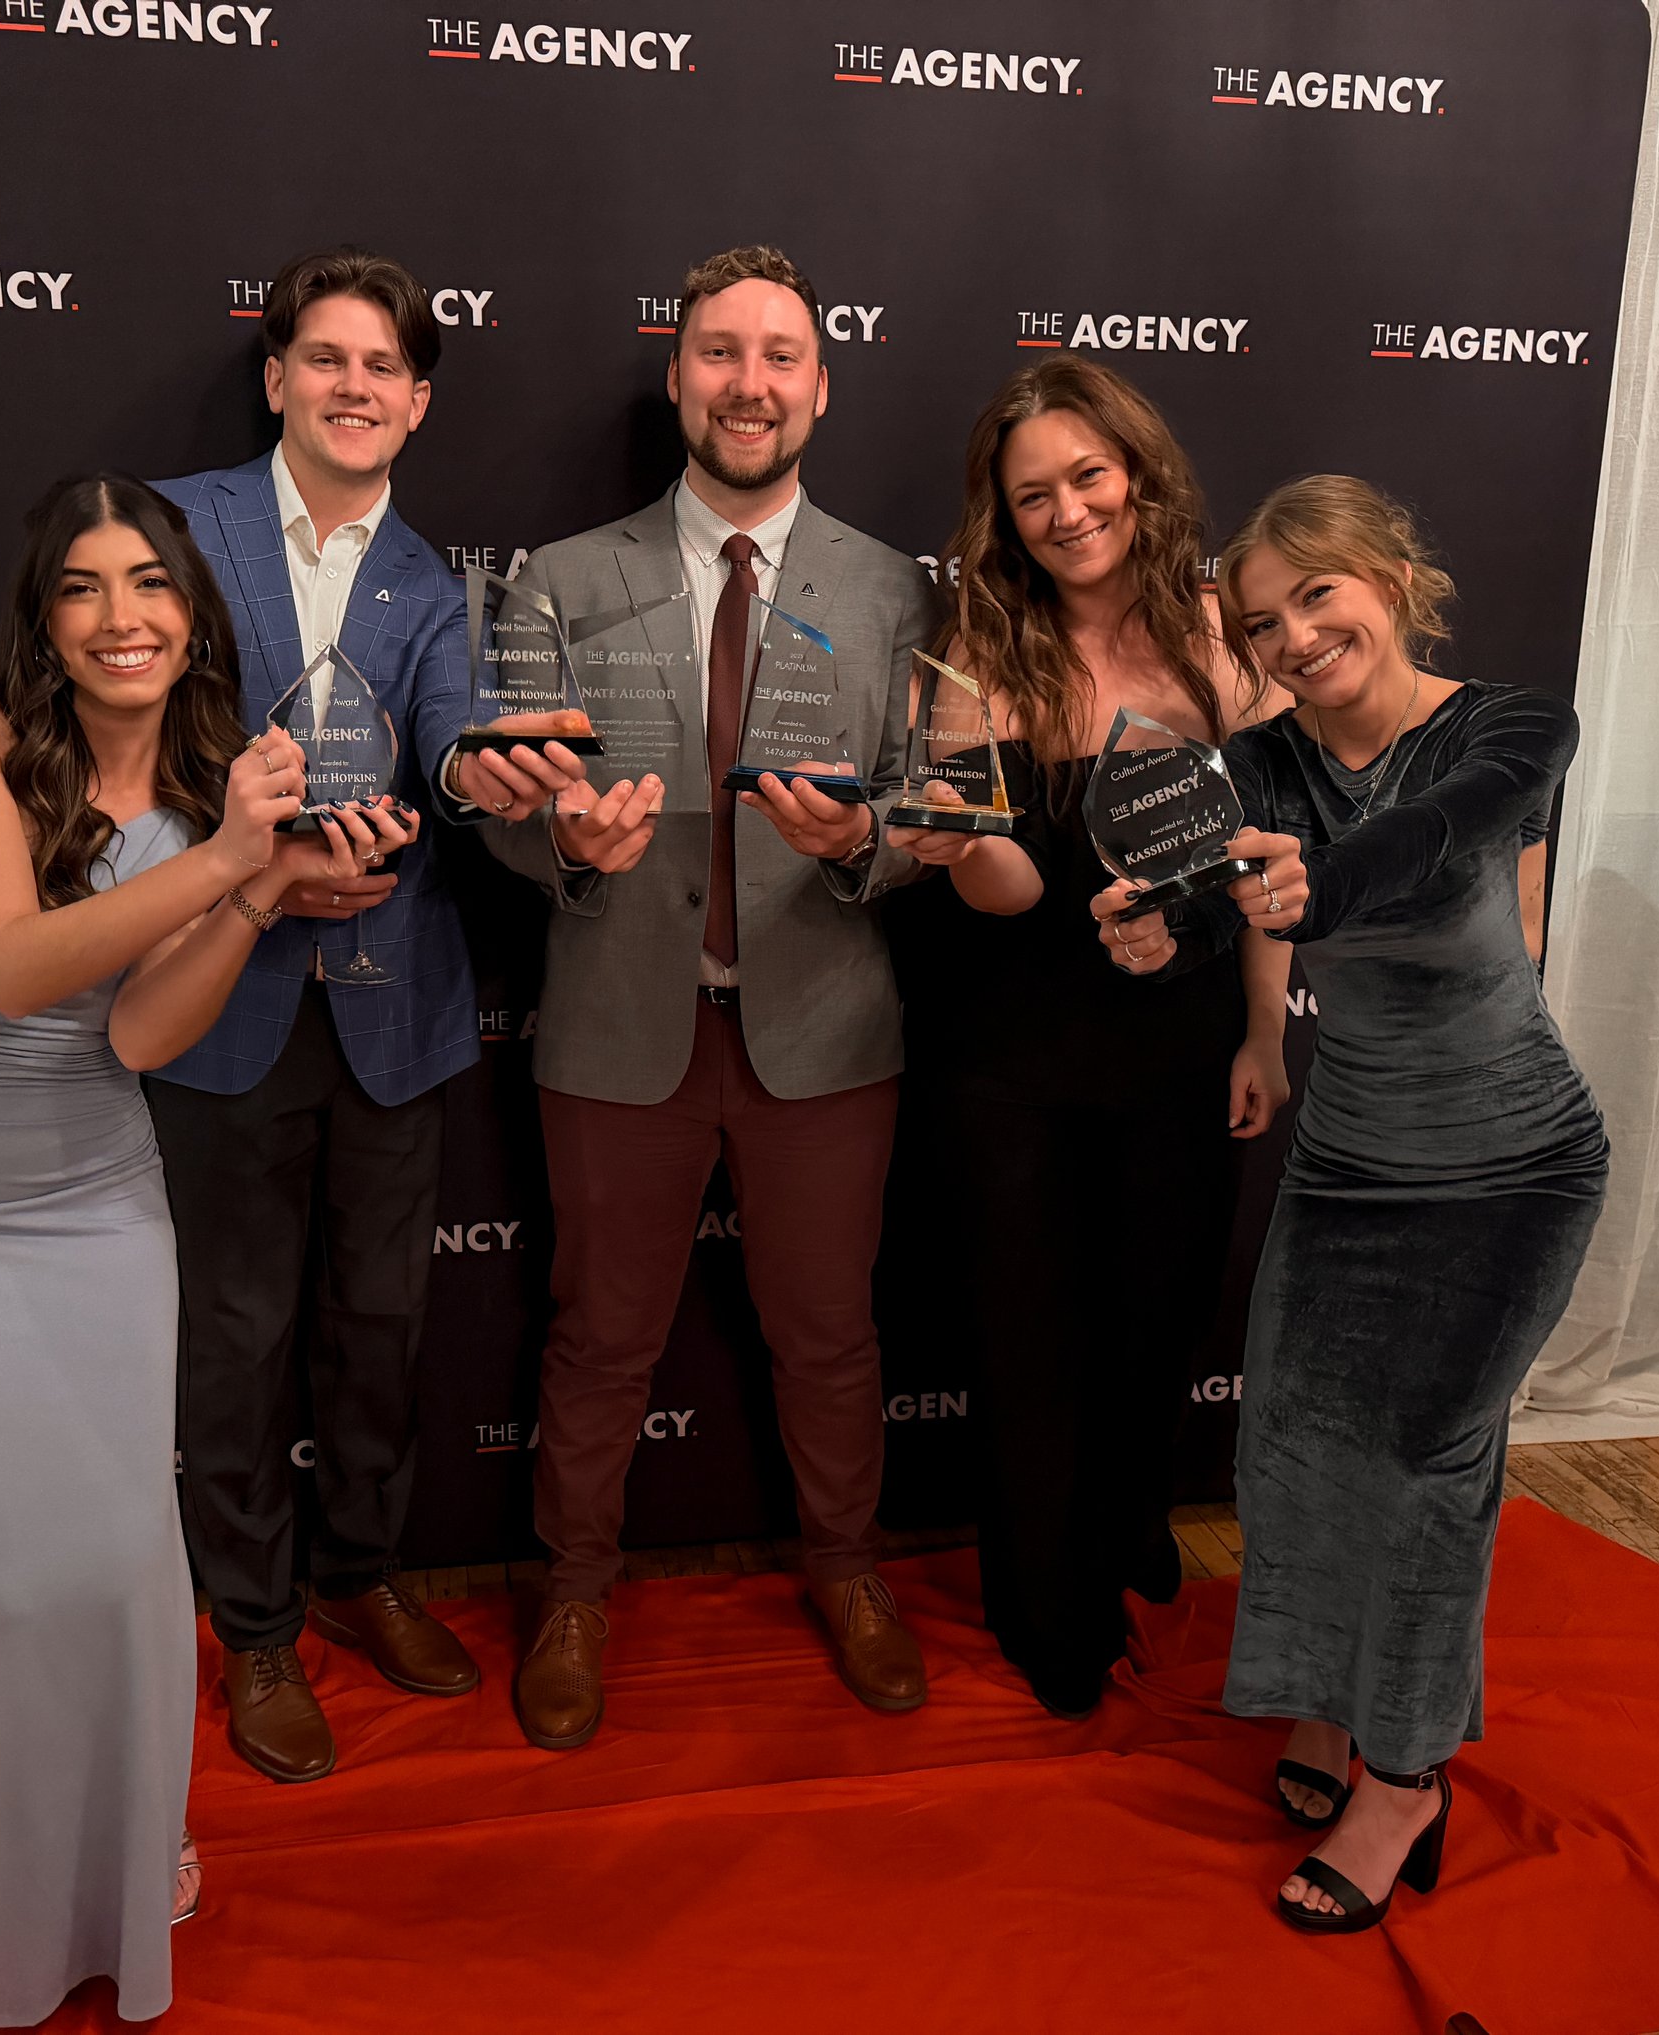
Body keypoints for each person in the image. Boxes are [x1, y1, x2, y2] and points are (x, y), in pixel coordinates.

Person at [0, 475, 386, 2023]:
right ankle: (19, 1921)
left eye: (152, 586)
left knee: (120, 1571)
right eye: (84, 588)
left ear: (194, 616)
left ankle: (123, 1869)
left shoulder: (204, 789)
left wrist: (257, 894)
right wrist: (235, 854)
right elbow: (7, 970)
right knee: (7, 1575)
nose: (124, 618)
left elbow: (132, 1033)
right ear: (42, 620)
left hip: (85, 1211)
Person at [1096, 473, 1606, 1933]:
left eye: (1320, 594)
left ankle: (1406, 1775)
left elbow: (1435, 843)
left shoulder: (1512, 728)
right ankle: (1321, 1703)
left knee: (1429, 1473)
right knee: (1300, 1453)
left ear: (1389, 571)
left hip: (1512, 1168)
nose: (1299, 635)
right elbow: (1211, 891)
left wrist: (1309, 886)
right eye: (1265, 622)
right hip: (1350, 1164)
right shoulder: (1261, 763)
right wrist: (1154, 930)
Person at [465, 244, 939, 1750]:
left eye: (779, 356)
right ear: (676, 377)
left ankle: (850, 1572)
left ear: (820, 384)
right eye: (720, 354)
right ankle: (576, 1591)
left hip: (825, 1027)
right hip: (619, 1020)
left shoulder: (890, 588)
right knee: (601, 1336)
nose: (750, 383)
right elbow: (498, 790)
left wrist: (869, 840)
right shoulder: (562, 575)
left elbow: (940, 805)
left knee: (831, 1334)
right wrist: (555, 836)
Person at [882, 356, 1293, 1719]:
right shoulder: (981, 651)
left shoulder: (1226, 640)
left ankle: (1124, 1525)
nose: (1066, 513)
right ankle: (1041, 1600)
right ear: (1003, 519)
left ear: (1140, 474)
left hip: (1178, 1040)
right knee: (1030, 1336)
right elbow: (998, 886)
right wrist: (973, 850)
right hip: (1015, 1054)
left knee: (1157, 1313)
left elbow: (1272, 857)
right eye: (1032, 495)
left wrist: (1260, 1032)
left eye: (1087, 477)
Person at [146, 249, 486, 1788]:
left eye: (384, 370)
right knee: (234, 1333)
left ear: (416, 406)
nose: (356, 388)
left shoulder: (437, 581)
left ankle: (358, 1573)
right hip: (224, 997)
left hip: (393, 1013)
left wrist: (482, 783)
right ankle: (255, 1622)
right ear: (277, 375)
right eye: (326, 359)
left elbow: (456, 740)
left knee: (379, 1325)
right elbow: (121, 738)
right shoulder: (175, 530)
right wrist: (259, 872)